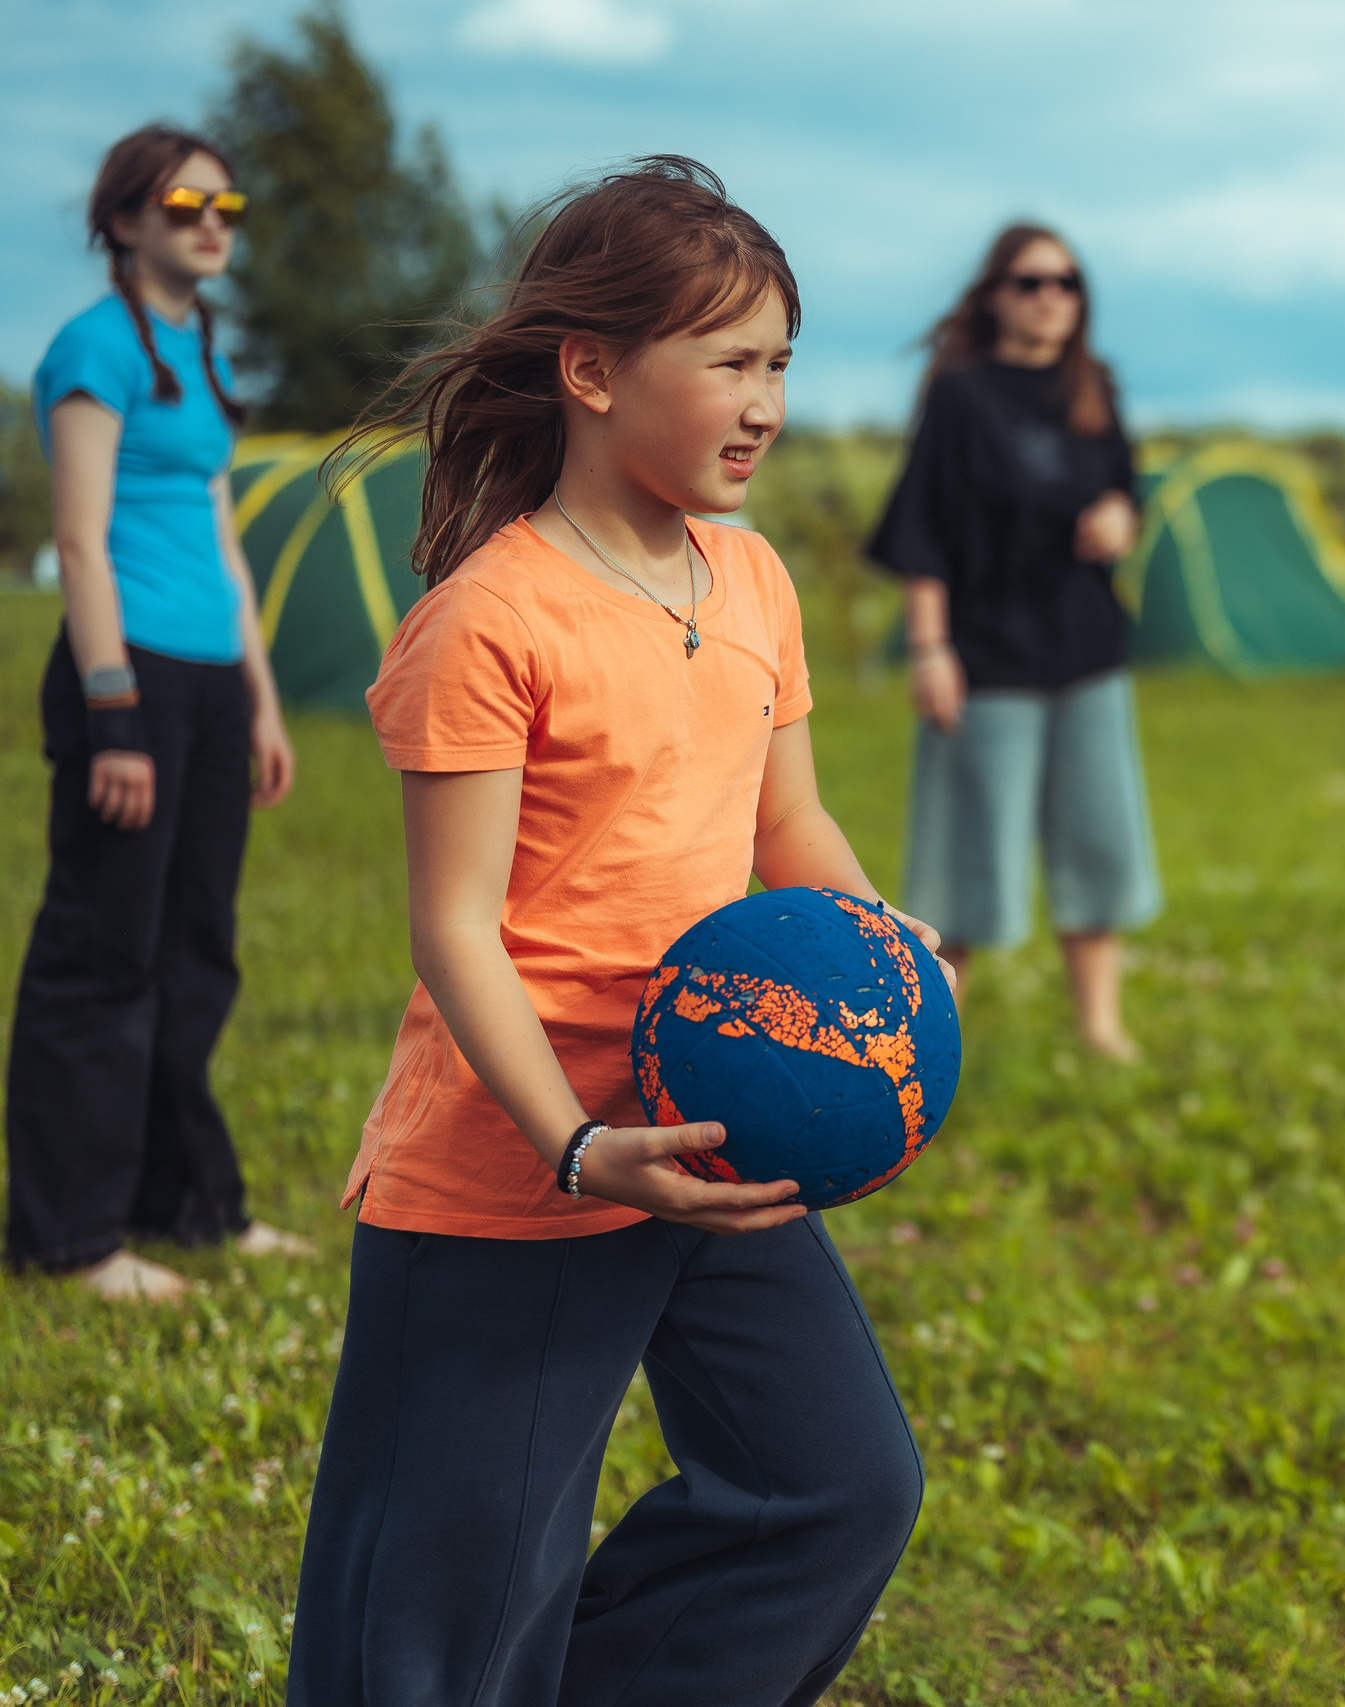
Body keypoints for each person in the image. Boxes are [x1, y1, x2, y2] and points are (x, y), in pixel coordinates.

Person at [287, 158, 930, 1706]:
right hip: (516, 1169)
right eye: (728, 360)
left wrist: (878, 942)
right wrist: (574, 1143)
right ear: (591, 370)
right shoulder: (490, 617)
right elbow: (455, 928)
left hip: (710, 1128)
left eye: (781, 361)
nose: (765, 399)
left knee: (836, 1484)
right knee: (446, 1617)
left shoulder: (756, 578)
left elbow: (790, 829)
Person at [6, 125, 305, 1303]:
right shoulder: (93, 350)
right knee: (102, 956)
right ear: (123, 221)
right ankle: (68, 1238)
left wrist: (262, 699)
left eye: (229, 204)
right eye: (186, 202)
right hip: (122, 671)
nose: (212, 221)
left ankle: (187, 1208)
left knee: (195, 954)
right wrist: (114, 715)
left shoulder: (199, 348)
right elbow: (79, 542)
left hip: (210, 680)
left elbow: (224, 540)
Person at [867, 223, 1161, 1062]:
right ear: (995, 294)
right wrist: (930, 650)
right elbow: (924, 532)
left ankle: (1101, 1028)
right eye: (1032, 282)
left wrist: (1121, 519)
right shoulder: (962, 397)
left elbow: (1124, 490)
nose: (1050, 298)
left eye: (1067, 282)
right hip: (986, 658)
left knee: (1098, 842)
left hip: (1086, 653)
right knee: (965, 860)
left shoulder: (1093, 386)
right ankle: (927, 1045)